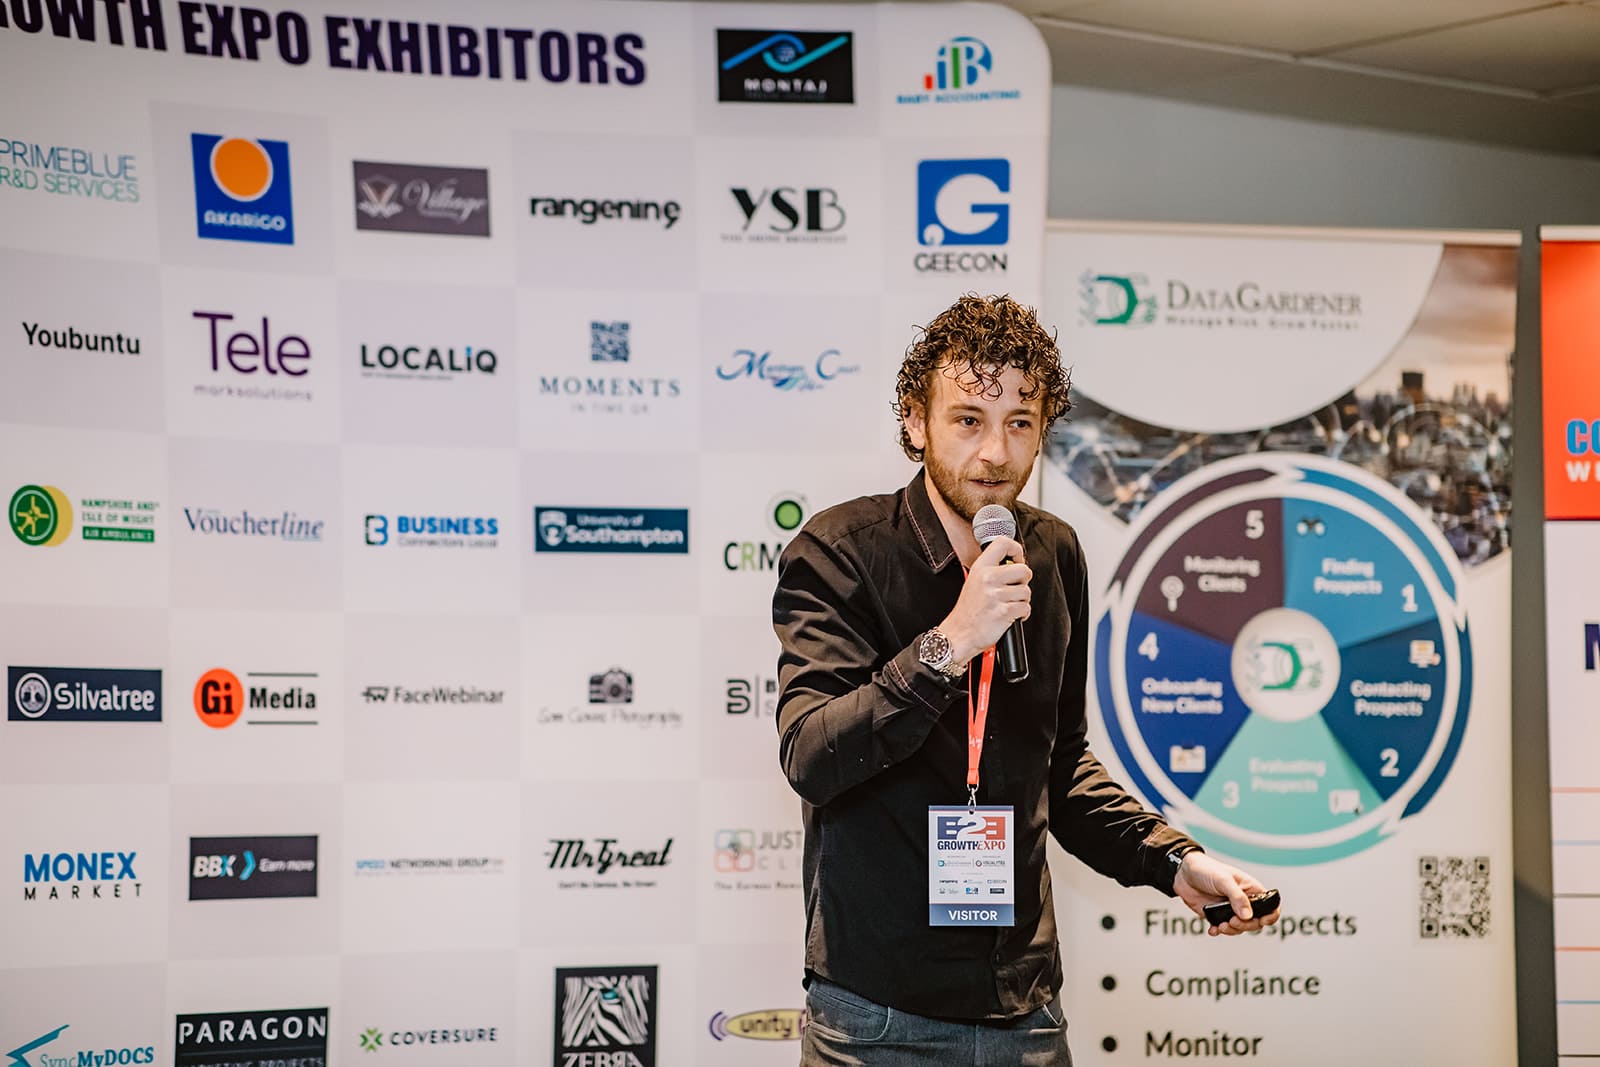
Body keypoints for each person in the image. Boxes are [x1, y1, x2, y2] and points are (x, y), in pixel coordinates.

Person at [772, 294, 1279, 1065]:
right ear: (916, 422)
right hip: (876, 1016)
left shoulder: (1053, 551)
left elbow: (1061, 764)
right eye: (968, 418)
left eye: (1020, 422)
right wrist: (950, 641)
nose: (996, 452)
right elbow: (812, 755)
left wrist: (1174, 861)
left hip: (1025, 1011)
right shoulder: (840, 550)